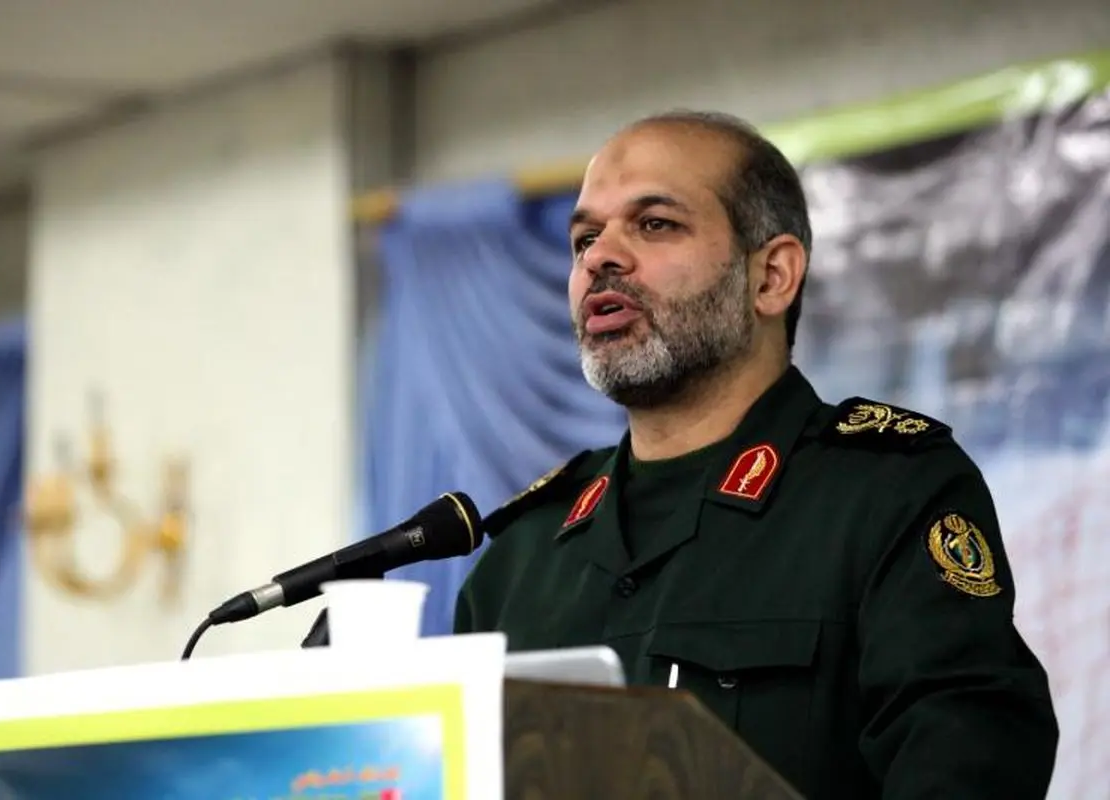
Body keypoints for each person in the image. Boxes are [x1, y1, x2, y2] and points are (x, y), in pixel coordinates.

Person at [452, 110, 1059, 799]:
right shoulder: (522, 554)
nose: (600, 258)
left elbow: (969, 767)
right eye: (585, 238)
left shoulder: (886, 495)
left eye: (655, 224)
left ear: (772, 276)